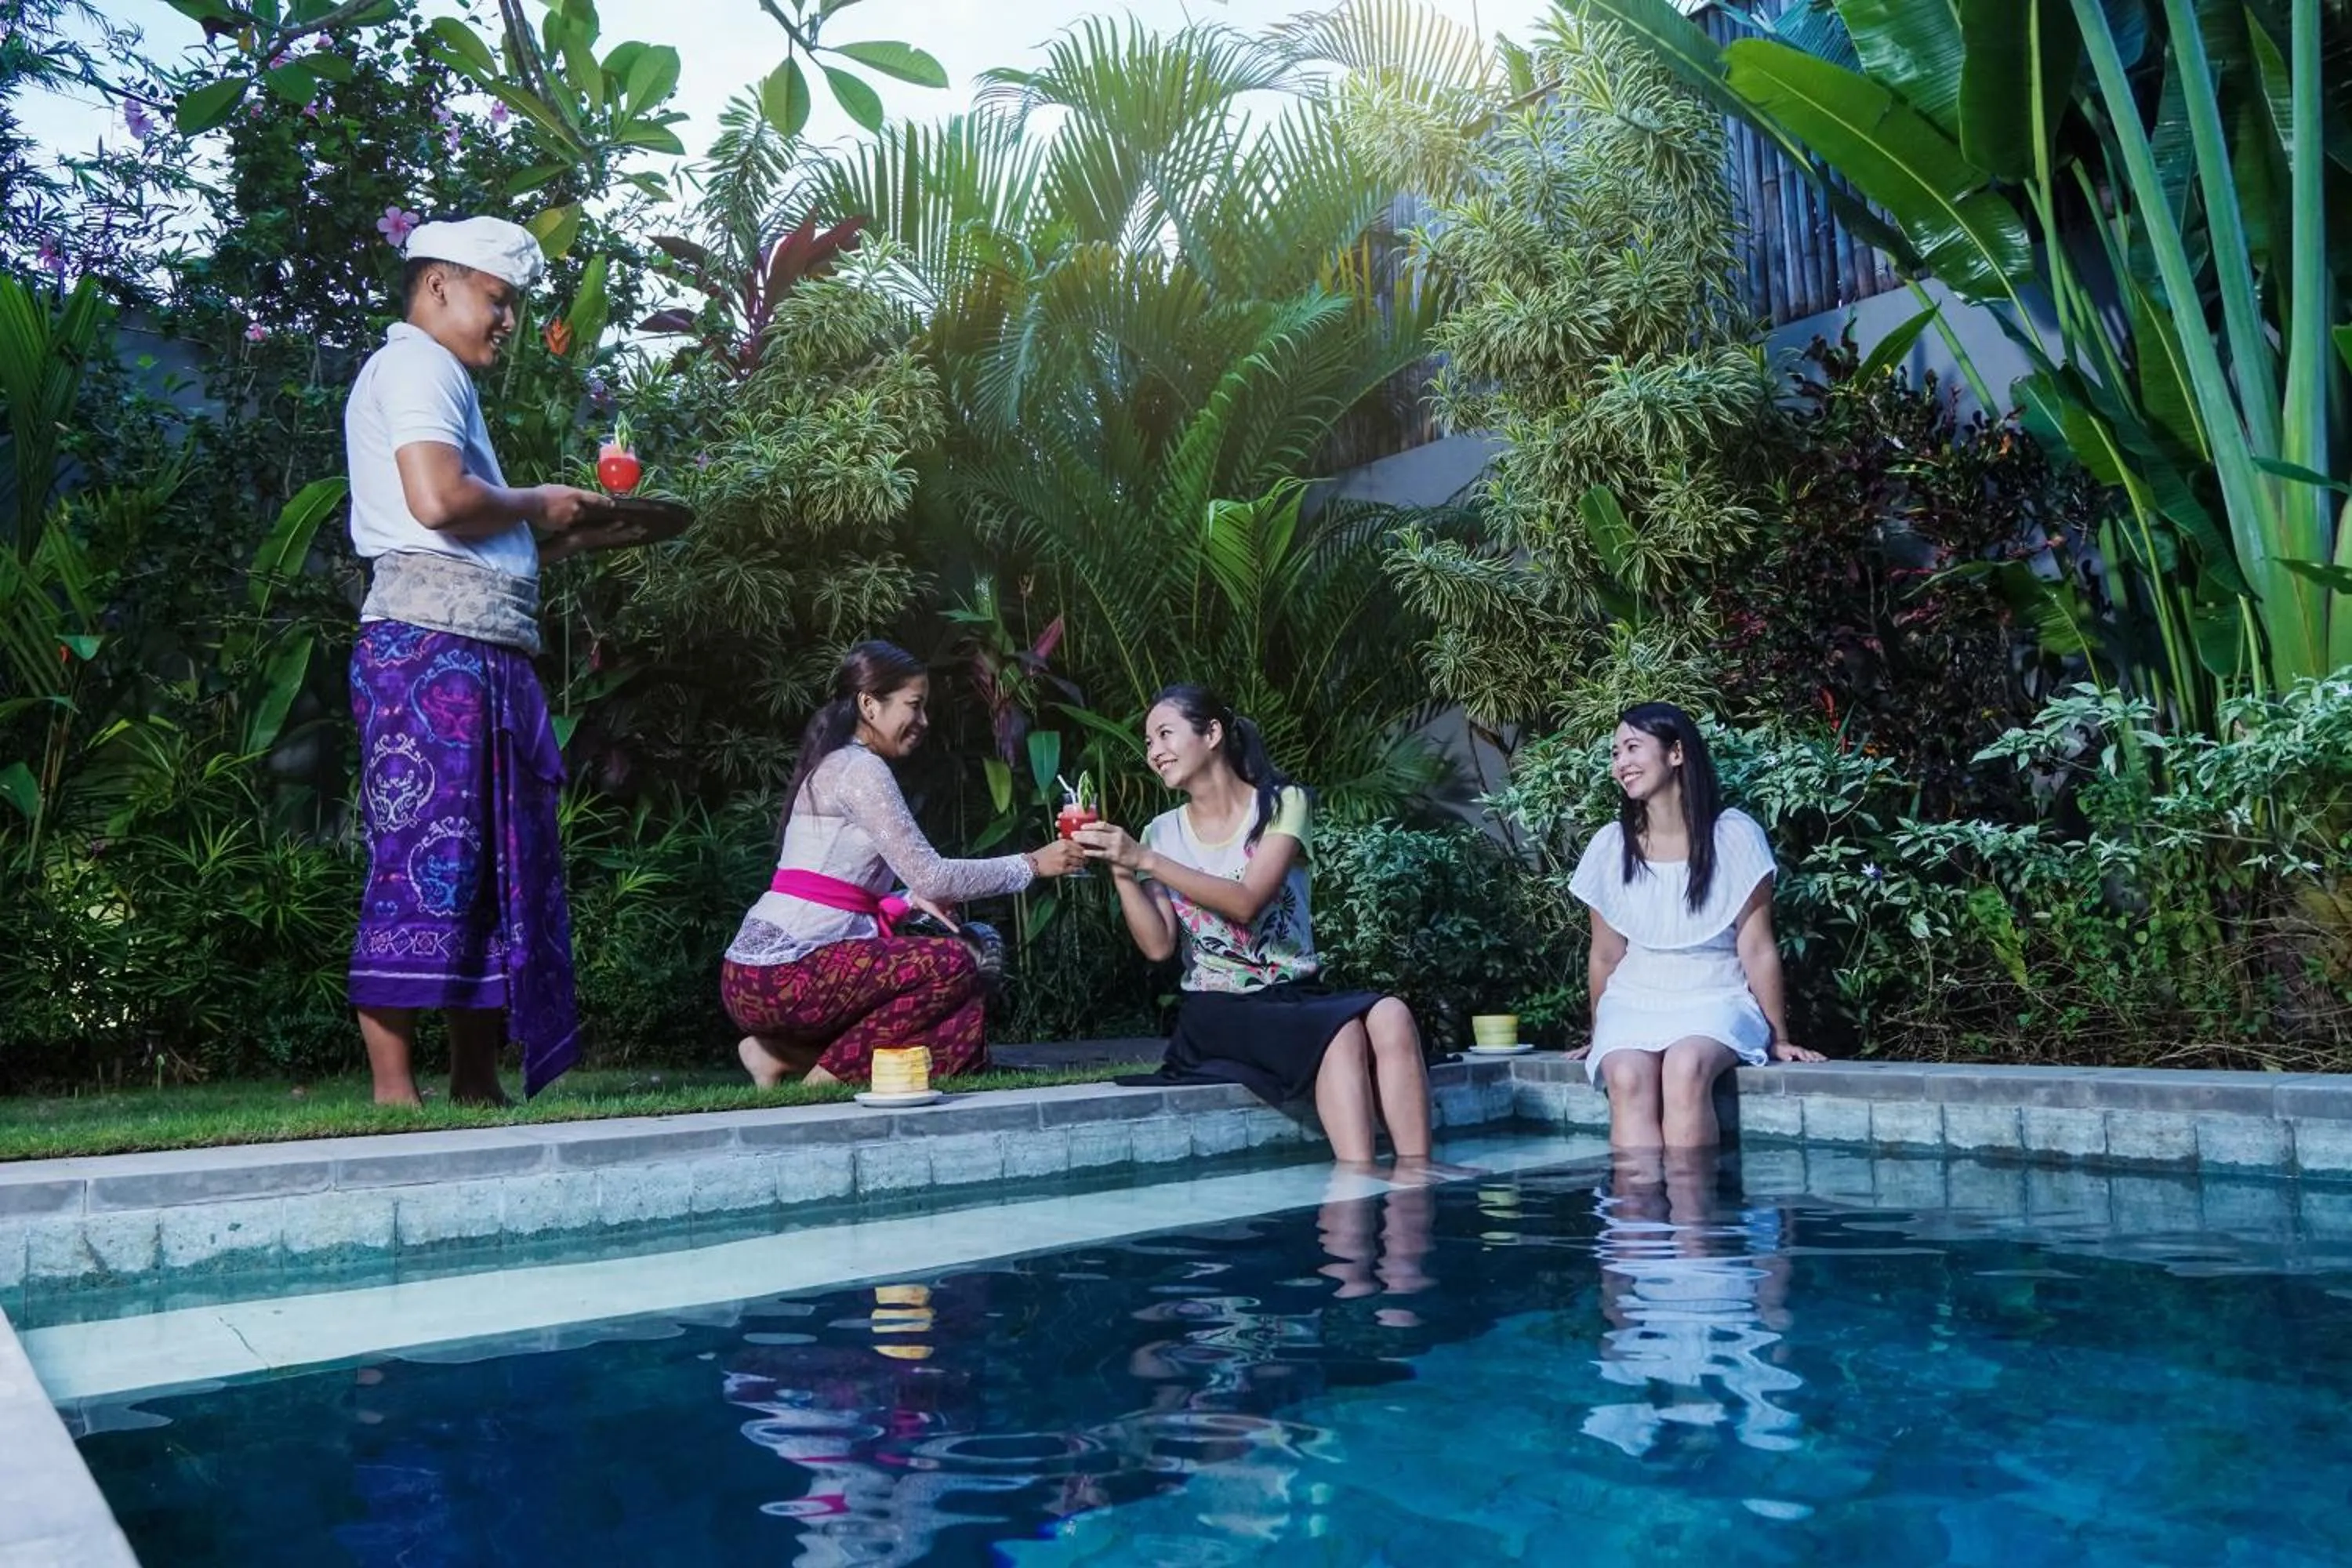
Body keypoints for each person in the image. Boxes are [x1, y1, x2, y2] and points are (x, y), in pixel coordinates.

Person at [344, 215, 620, 1108]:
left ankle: (473, 1075)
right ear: (438, 286)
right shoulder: (420, 362)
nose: (507, 320)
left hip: (471, 651)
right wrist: (540, 502)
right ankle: (396, 1091)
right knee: (424, 860)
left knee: (484, 870)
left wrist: (564, 531)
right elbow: (438, 501)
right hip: (433, 654)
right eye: (497, 299)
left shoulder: (438, 376)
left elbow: (472, 528)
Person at [1076, 684, 1446, 1177]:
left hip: (1293, 993)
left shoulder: (1282, 804)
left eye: (1164, 735)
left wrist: (1144, 860)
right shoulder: (1159, 833)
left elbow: (1248, 902)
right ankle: (1360, 1180)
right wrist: (1123, 870)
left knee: (1393, 1014)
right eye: (1148, 743)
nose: (1154, 752)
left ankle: (1418, 1176)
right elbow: (1159, 945)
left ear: (1211, 733)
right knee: (1341, 1034)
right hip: (1218, 1009)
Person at [721, 641, 1087, 1087]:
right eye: (914, 706)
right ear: (869, 704)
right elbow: (932, 874)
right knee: (955, 963)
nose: (923, 721)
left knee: (937, 976)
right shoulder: (860, 770)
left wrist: (908, 901)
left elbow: (828, 885)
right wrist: (1031, 864)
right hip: (785, 976)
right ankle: (826, 1077)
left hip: (749, 979)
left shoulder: (832, 764)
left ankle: (777, 1054)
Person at [1566, 702, 1824, 1148]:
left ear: (1677, 753)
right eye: (1614, 754)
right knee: (1625, 1074)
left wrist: (1778, 1036)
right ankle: (1636, 1216)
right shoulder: (1610, 846)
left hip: (1715, 992)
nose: (1620, 763)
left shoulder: (1733, 835)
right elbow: (1606, 954)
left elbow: (1757, 947)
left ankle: (1694, 1215)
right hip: (1634, 996)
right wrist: (1599, 1033)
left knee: (1685, 1067)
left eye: (1632, 748)